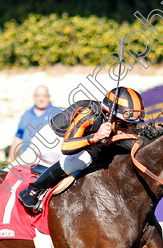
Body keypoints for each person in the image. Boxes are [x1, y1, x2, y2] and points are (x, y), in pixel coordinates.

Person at [18, 87, 146, 213]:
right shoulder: (87, 113)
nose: (128, 130)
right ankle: (34, 188)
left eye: (133, 125)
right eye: (123, 124)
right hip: (49, 144)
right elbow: (66, 147)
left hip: (72, 144)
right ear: (108, 115)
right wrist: (94, 138)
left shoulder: (116, 121)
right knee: (88, 157)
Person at [10, 85, 57, 163]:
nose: (41, 99)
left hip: (47, 161)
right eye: (38, 96)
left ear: (49, 97)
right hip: (26, 160)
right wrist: (11, 159)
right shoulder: (26, 114)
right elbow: (18, 138)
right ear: (34, 98)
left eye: (44, 96)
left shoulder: (57, 114)